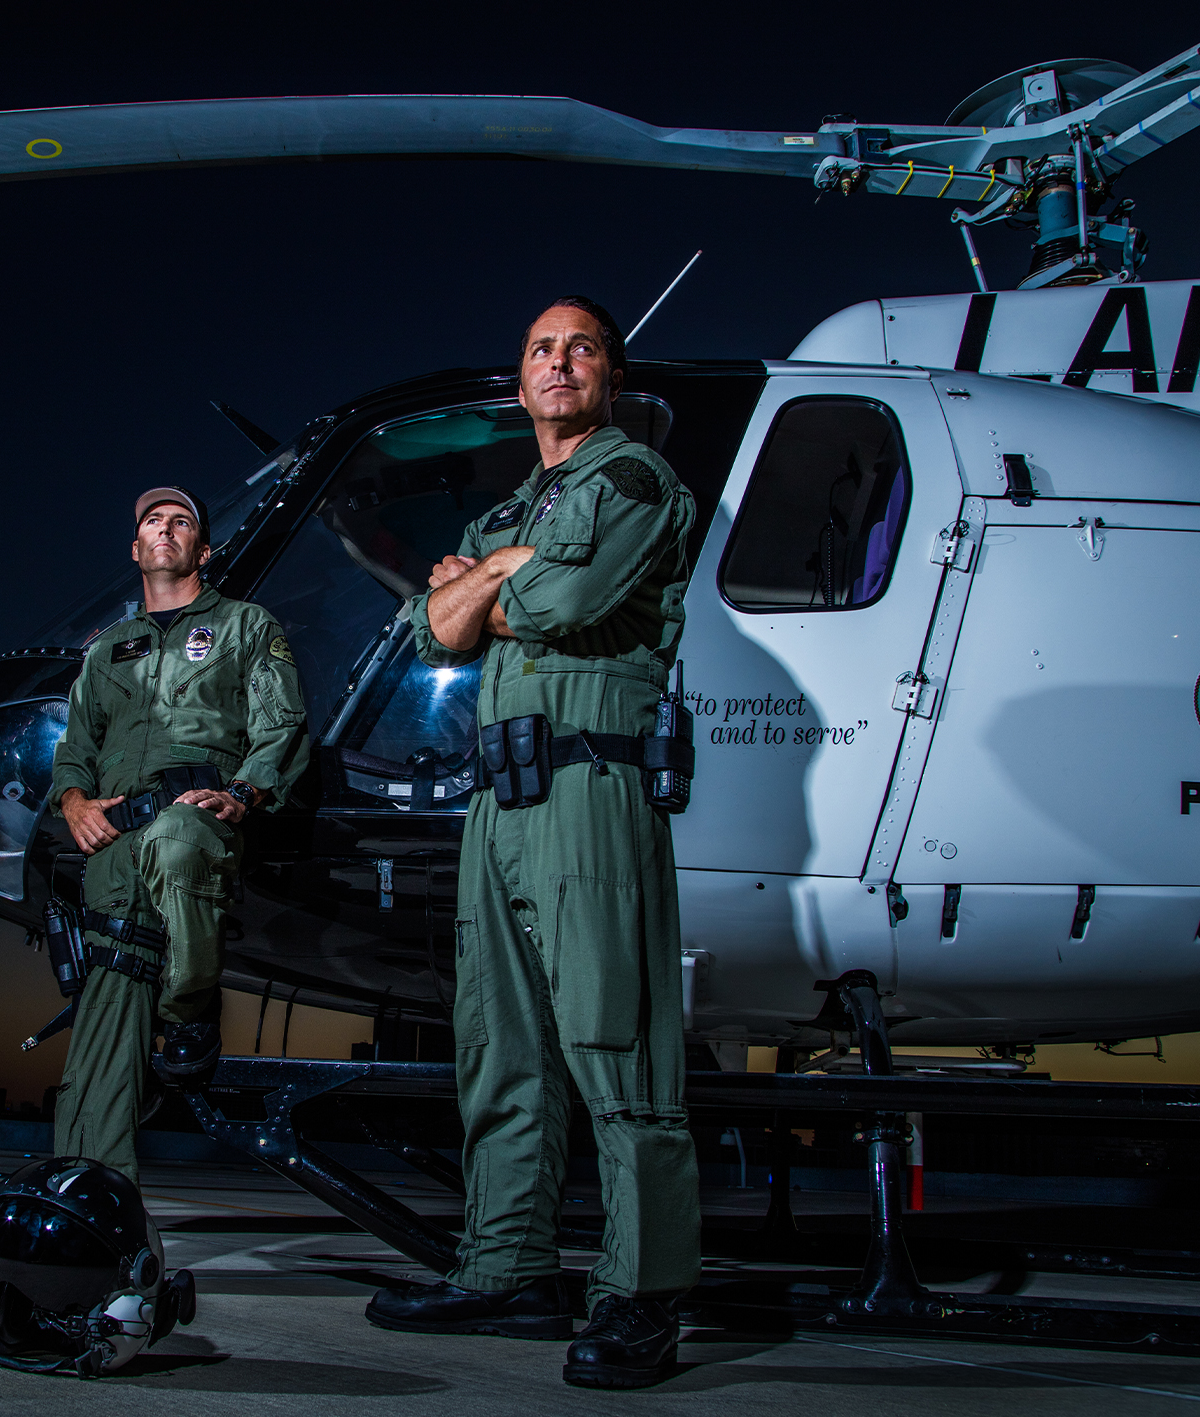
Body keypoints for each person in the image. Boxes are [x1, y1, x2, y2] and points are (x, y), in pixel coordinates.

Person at [365, 298, 702, 1389]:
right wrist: (497, 568)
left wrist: (492, 575)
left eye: (581, 347)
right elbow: (431, 631)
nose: (559, 363)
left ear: (610, 375)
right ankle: (507, 1264)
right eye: (541, 350)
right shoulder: (518, 502)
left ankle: (642, 1291)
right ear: (521, 384)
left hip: (591, 788)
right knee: (497, 1043)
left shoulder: (635, 481)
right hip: (498, 801)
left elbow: (565, 599)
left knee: (616, 1036)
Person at [46, 487, 309, 1178]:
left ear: (203, 548)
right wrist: (73, 801)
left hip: (199, 824)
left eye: (181, 521)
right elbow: (74, 747)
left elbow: (282, 724)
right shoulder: (106, 651)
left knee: (175, 837)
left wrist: (246, 791)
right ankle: (87, 1196)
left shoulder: (244, 626)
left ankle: (190, 1008)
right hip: (113, 846)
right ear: (136, 549)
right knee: (99, 1042)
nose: (165, 529)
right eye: (152, 523)